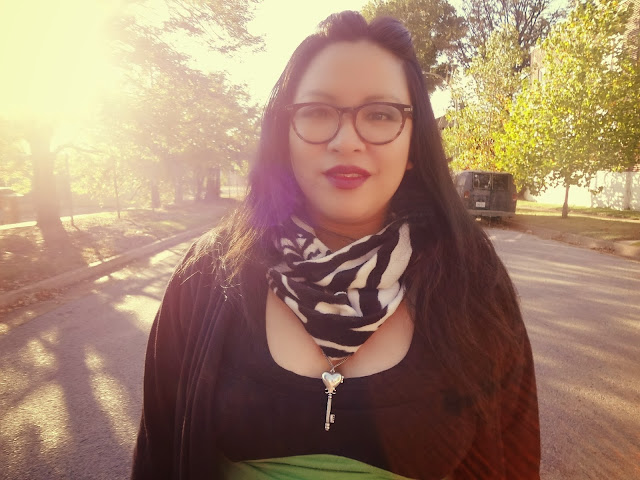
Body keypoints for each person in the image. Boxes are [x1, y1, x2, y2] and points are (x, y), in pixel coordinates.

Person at [131, 10, 540, 480]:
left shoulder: (473, 280)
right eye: (317, 111)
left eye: (380, 114)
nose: (347, 141)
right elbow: (158, 458)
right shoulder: (208, 273)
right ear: (284, 135)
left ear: (414, 144)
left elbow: (514, 462)